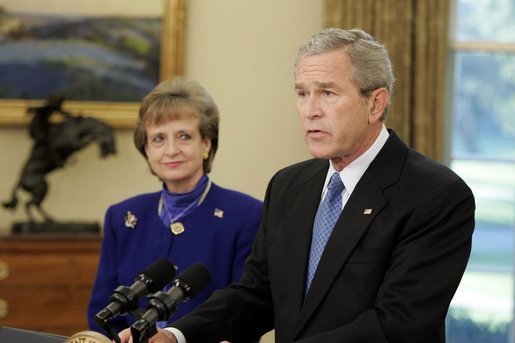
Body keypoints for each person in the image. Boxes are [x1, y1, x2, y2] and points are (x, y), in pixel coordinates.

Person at [119, 28, 475, 343]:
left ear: (375, 103)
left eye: (328, 94)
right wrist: (177, 334)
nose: (310, 110)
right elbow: (257, 294)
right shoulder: (289, 186)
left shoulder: (436, 195)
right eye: (302, 93)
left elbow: (397, 325)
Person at [87, 77, 263, 336]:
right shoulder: (121, 216)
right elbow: (101, 312)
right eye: (158, 139)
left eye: (184, 136)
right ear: (146, 149)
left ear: (206, 143)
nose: (171, 150)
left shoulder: (246, 216)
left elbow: (245, 312)